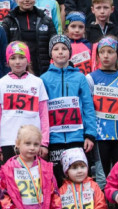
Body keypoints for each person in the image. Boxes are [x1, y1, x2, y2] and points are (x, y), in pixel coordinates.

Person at [41, 35, 98, 183]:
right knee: (57, 179)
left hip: (77, 137)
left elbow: (88, 107)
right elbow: (41, 111)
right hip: (54, 139)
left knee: (79, 178)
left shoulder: (80, 78)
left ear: (70, 52)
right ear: (50, 53)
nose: (60, 52)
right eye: (56, 49)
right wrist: (43, 140)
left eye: (64, 48)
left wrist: (90, 134)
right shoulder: (43, 79)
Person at [0, 42, 49, 163]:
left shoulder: (37, 82)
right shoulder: (0, 84)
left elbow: (44, 115)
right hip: (8, 140)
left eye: (22, 57)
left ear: (28, 60)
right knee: (11, 177)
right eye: (13, 58)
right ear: (7, 62)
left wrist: (44, 143)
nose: (17, 62)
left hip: (32, 141)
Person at [86, 36, 118, 177]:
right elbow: (88, 107)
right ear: (97, 55)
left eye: (110, 52)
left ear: (117, 55)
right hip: (100, 134)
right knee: (101, 174)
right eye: (102, 52)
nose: (106, 55)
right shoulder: (90, 78)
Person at [1, 0, 57, 75]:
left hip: (43, 71)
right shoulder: (8, 21)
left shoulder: (45, 20)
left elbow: (53, 46)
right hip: (17, 72)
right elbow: (4, 49)